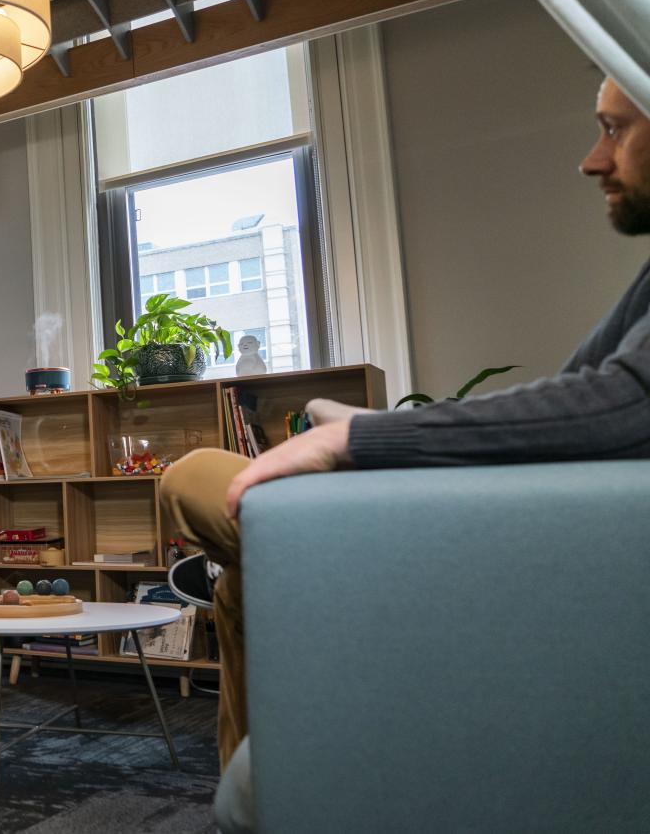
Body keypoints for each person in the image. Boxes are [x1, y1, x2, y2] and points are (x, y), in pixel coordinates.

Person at [160, 77, 650, 774]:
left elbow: (629, 407)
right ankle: (268, 785)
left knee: (194, 479)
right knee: (241, 577)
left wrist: (355, 438)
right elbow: (587, 399)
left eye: (615, 127)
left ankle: (272, 782)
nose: (593, 159)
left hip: (520, 538)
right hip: (525, 518)